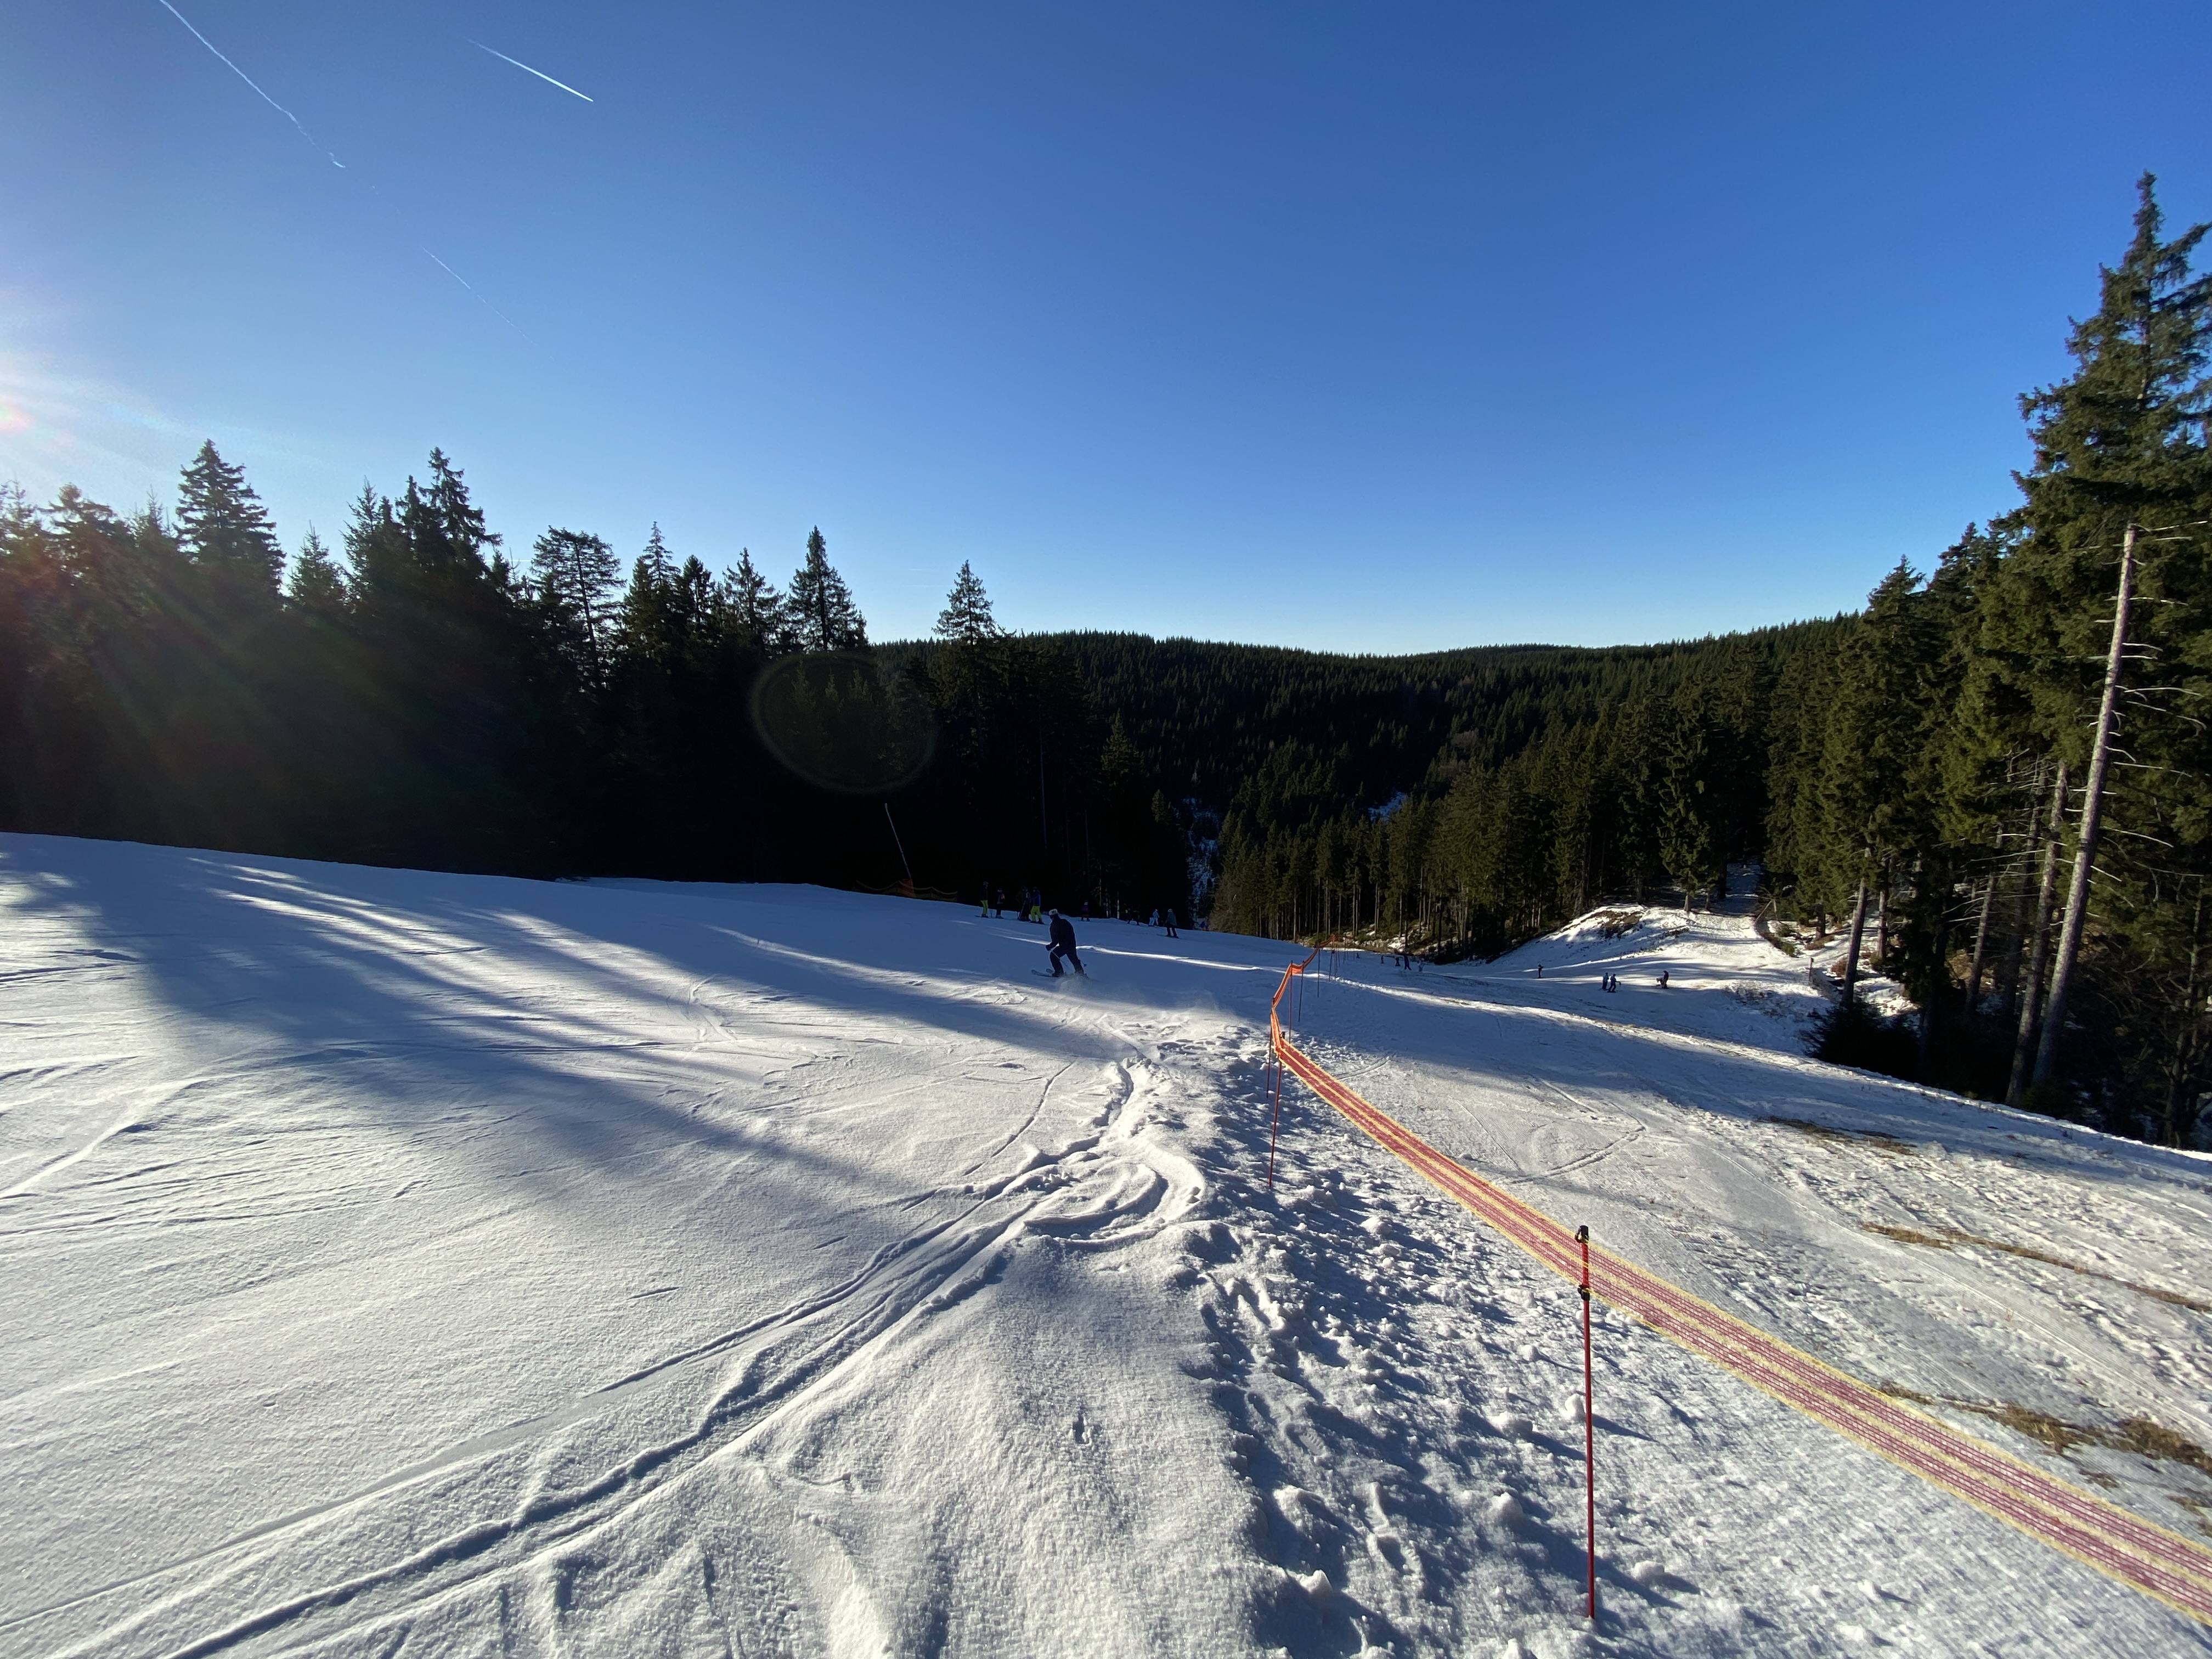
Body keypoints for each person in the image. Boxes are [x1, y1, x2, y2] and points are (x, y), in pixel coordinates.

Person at [1046, 909, 1085, 977]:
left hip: (1064, 946)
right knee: (1073, 958)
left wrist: (1050, 946)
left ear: (1051, 917)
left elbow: (1055, 941)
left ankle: (1059, 973)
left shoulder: (1054, 926)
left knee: (1053, 956)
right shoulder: (1065, 922)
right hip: (1072, 944)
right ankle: (1080, 973)